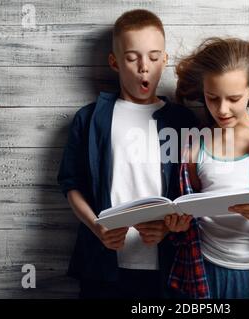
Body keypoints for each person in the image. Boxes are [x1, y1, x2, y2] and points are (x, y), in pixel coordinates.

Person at [57, 9, 197, 298]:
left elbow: (197, 193)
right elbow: (71, 183)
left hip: (169, 269)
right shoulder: (90, 118)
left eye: (154, 57)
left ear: (165, 61)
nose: (144, 67)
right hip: (102, 269)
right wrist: (97, 227)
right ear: (114, 62)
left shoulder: (184, 121)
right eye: (132, 58)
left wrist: (169, 230)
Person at [164, 37, 249, 299]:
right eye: (212, 98)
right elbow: (185, 219)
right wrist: (177, 227)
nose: (222, 109)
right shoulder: (192, 145)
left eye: (234, 98)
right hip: (198, 272)